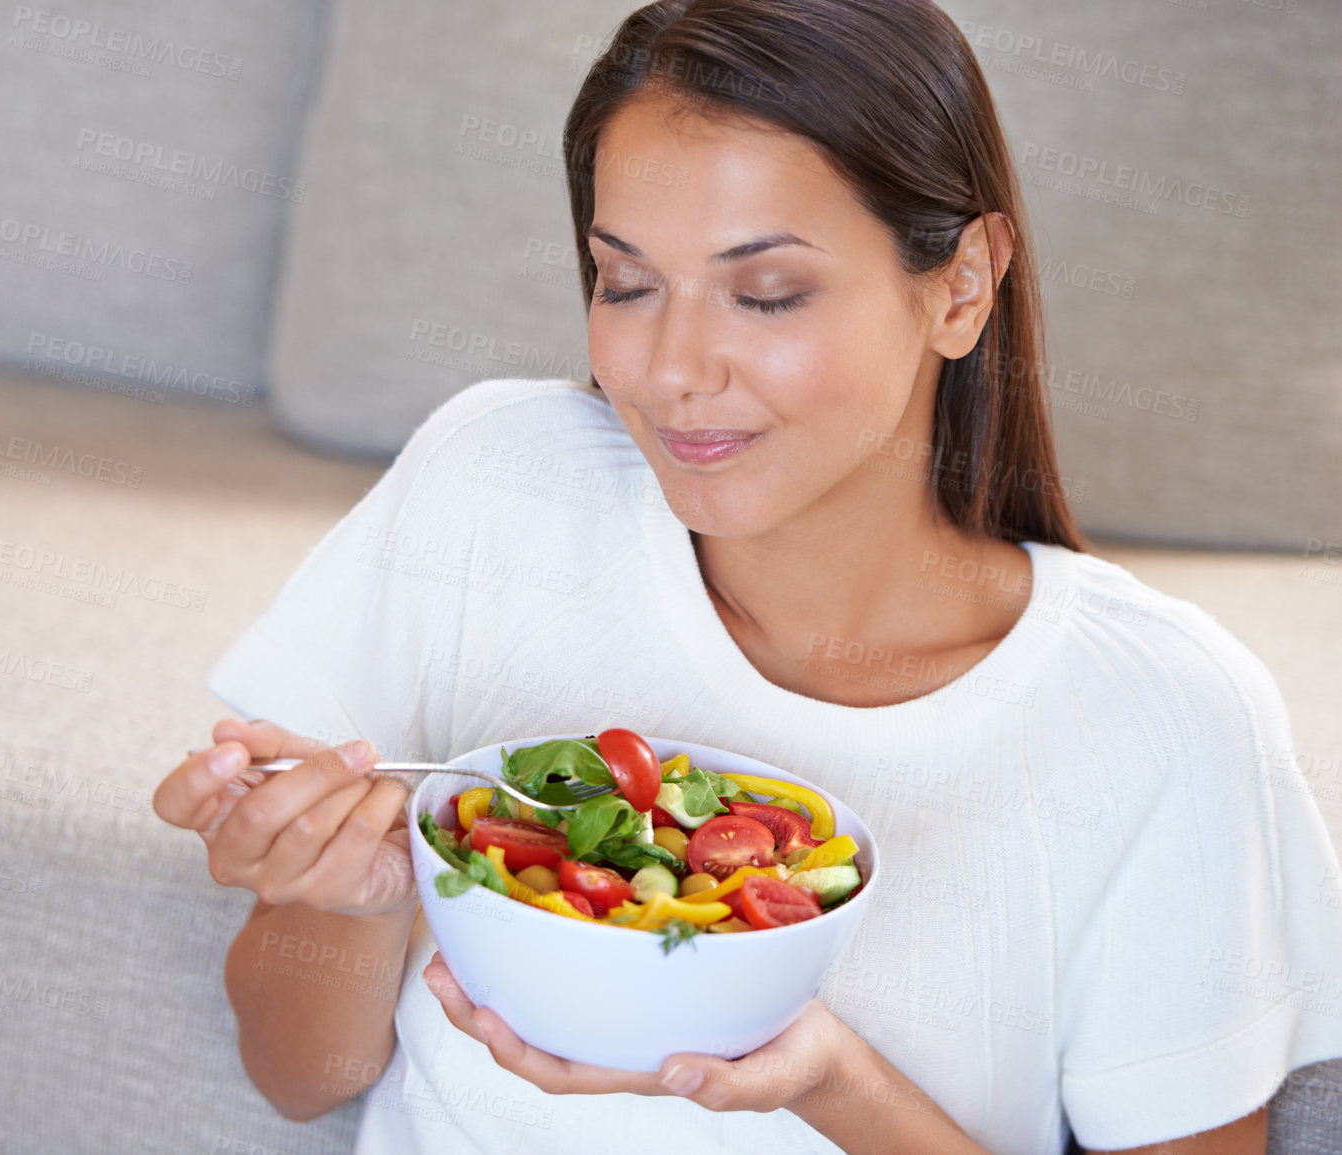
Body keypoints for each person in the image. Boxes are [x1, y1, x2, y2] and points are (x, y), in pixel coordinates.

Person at [153, 1, 1342, 1151]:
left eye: (765, 293)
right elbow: (298, 1077)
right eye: (626, 283)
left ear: (964, 286)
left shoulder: (1160, 718)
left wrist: (830, 1082)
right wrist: (342, 898)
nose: (671, 370)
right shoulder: (496, 489)